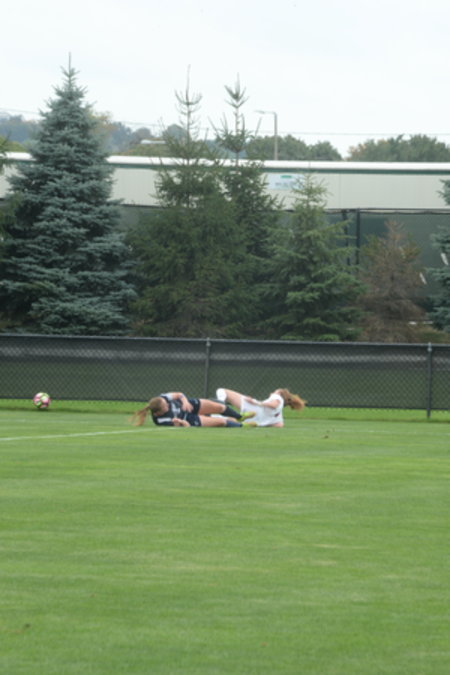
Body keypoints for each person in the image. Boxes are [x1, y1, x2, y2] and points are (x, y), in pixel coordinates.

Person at [131, 391, 257, 428]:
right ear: (159, 412)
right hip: (188, 418)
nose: (168, 405)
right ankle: (243, 426)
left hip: (188, 405)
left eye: (166, 403)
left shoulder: (162, 398)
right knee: (221, 422)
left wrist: (185, 401)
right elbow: (184, 426)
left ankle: (240, 417)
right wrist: (181, 422)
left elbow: (179, 394)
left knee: (219, 407)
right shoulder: (161, 420)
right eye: (165, 407)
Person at [215, 387, 306, 428]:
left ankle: (220, 409)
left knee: (221, 391)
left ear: (279, 393)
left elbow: (274, 404)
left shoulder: (277, 397)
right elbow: (279, 425)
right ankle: (216, 417)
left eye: (274, 391)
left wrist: (255, 402)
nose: (272, 392)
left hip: (252, 407)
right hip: (252, 420)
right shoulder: (279, 417)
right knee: (230, 420)